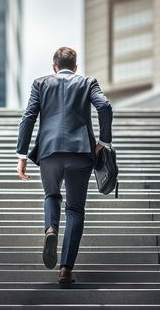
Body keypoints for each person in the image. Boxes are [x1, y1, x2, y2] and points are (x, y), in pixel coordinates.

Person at [15, 46, 113, 284]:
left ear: (54, 67)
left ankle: (50, 229)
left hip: (49, 152)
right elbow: (105, 107)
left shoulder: (41, 83)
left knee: (51, 196)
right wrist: (103, 142)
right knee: (76, 210)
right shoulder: (88, 82)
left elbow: (29, 116)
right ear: (76, 67)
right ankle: (66, 270)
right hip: (81, 152)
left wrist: (22, 155)